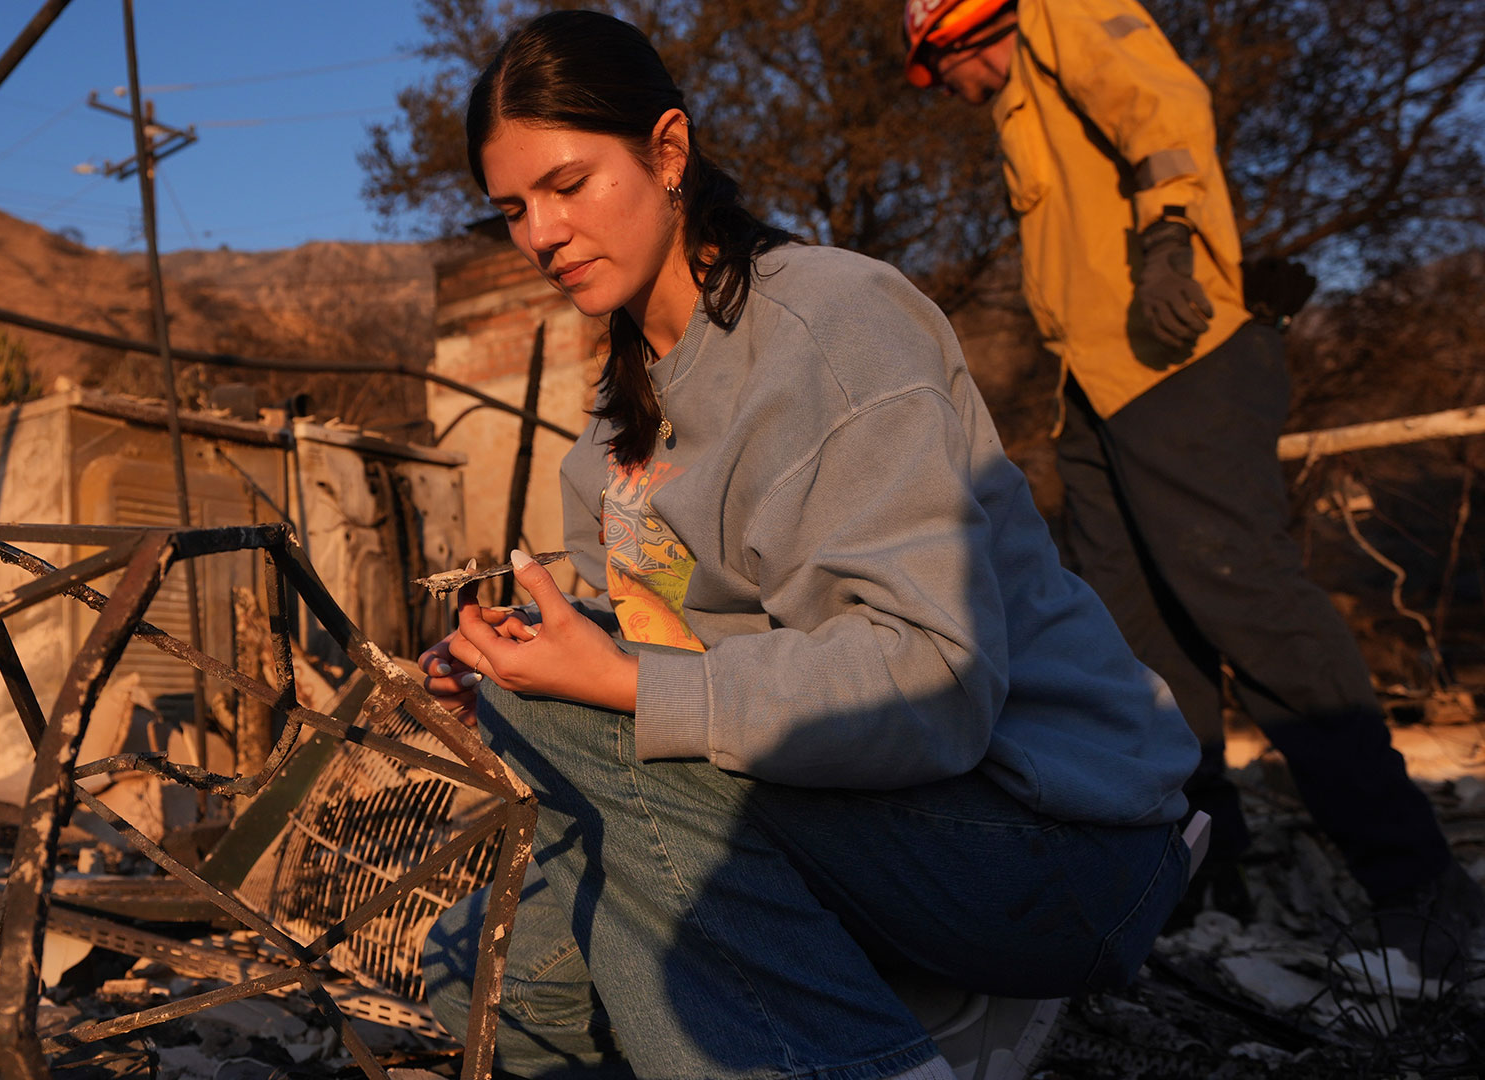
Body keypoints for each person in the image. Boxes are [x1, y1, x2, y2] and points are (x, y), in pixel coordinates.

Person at [416, 11, 1202, 1079]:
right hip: (855, 825)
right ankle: (886, 1013)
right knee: (478, 973)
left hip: (1054, 838)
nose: (540, 234)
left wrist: (605, 683)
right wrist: (512, 657)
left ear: (668, 152)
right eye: (512, 208)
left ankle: (872, 1046)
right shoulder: (609, 438)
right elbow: (634, 635)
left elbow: (934, 681)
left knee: (579, 725)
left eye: (569, 184)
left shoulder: (836, 326)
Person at [901, 0, 1485, 971]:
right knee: (1132, 643)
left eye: (937, 71)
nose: (948, 94)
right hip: (1096, 390)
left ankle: (1419, 892)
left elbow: (1163, 106)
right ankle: (1196, 884)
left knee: (1244, 601)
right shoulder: (1019, 111)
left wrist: (1172, 235)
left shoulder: (1061, 14)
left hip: (1178, 360)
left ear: (960, 32)